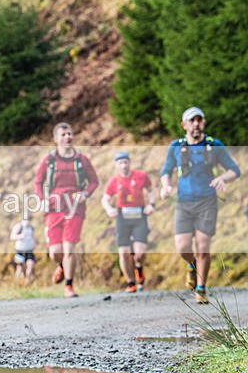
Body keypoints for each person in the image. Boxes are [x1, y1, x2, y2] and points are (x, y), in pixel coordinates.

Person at [159, 107, 241, 304]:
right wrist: (166, 186)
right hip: (184, 202)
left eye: (199, 120)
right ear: (184, 125)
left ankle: (201, 289)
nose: (196, 124)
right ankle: (192, 264)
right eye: (192, 120)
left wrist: (223, 178)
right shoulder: (176, 146)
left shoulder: (214, 145)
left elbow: (234, 170)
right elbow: (166, 171)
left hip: (207, 202)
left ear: (203, 123)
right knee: (182, 248)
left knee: (203, 247)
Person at [33, 123, 98, 298]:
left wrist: (85, 193)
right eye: (63, 135)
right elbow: (37, 181)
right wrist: (42, 200)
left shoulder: (81, 160)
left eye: (69, 134)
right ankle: (62, 266)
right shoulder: (49, 160)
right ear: (55, 139)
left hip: (75, 208)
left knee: (69, 248)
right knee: (55, 252)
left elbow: (94, 181)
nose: (67, 137)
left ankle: (69, 285)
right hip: (53, 208)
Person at [101, 152, 156, 293]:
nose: (123, 165)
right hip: (122, 217)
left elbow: (151, 190)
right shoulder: (114, 181)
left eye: (125, 162)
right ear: (116, 165)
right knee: (124, 253)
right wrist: (109, 209)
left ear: (130, 163)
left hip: (139, 216)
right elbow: (105, 199)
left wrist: (151, 204)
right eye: (120, 163)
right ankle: (131, 282)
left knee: (139, 253)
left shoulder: (141, 176)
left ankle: (139, 268)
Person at [10, 214, 37, 284]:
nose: (28, 222)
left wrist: (34, 243)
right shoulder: (19, 226)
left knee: (30, 265)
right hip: (20, 251)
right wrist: (20, 236)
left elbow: (32, 237)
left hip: (29, 250)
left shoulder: (31, 227)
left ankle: (27, 282)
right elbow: (12, 236)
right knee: (19, 268)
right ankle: (16, 283)